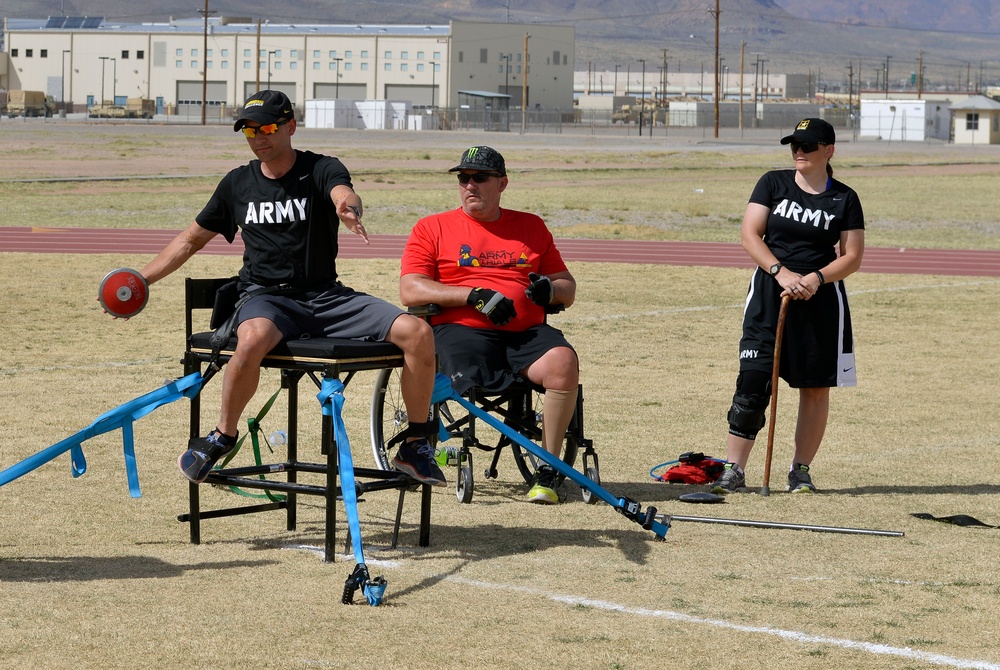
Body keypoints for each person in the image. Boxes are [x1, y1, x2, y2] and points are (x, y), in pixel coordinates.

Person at [136, 90, 444, 487]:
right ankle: (221, 436)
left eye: (266, 127)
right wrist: (141, 280)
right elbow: (190, 240)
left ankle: (415, 444)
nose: (258, 137)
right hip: (267, 298)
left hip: (327, 297)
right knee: (253, 338)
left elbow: (342, 190)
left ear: (290, 127)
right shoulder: (237, 183)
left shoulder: (320, 168)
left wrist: (347, 206)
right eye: (249, 130)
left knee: (417, 333)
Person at [399, 145, 579, 504]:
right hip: (462, 331)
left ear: (502, 184)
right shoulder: (432, 227)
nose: (470, 185)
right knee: (462, 366)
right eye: (464, 178)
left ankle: (549, 466)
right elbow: (410, 288)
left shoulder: (530, 226)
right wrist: (470, 296)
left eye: (480, 178)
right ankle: (431, 448)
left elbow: (567, 287)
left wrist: (549, 289)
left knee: (563, 362)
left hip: (525, 334)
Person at [711, 118, 865, 495]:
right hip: (770, 292)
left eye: (808, 146)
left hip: (820, 300)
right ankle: (735, 470)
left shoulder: (844, 198)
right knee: (752, 380)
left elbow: (853, 256)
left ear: (828, 150)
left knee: (814, 387)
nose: (799, 151)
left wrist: (815, 278)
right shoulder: (773, 183)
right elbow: (750, 235)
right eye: (795, 145)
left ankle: (800, 471)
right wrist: (779, 272)